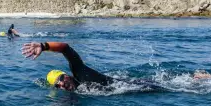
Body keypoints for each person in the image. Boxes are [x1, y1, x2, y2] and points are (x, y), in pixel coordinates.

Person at [22, 42, 165, 92]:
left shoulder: (80, 73)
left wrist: (43, 46)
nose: (61, 84)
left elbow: (66, 48)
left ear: (67, 75)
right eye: (57, 86)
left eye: (60, 79)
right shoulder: (76, 93)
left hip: (139, 86)